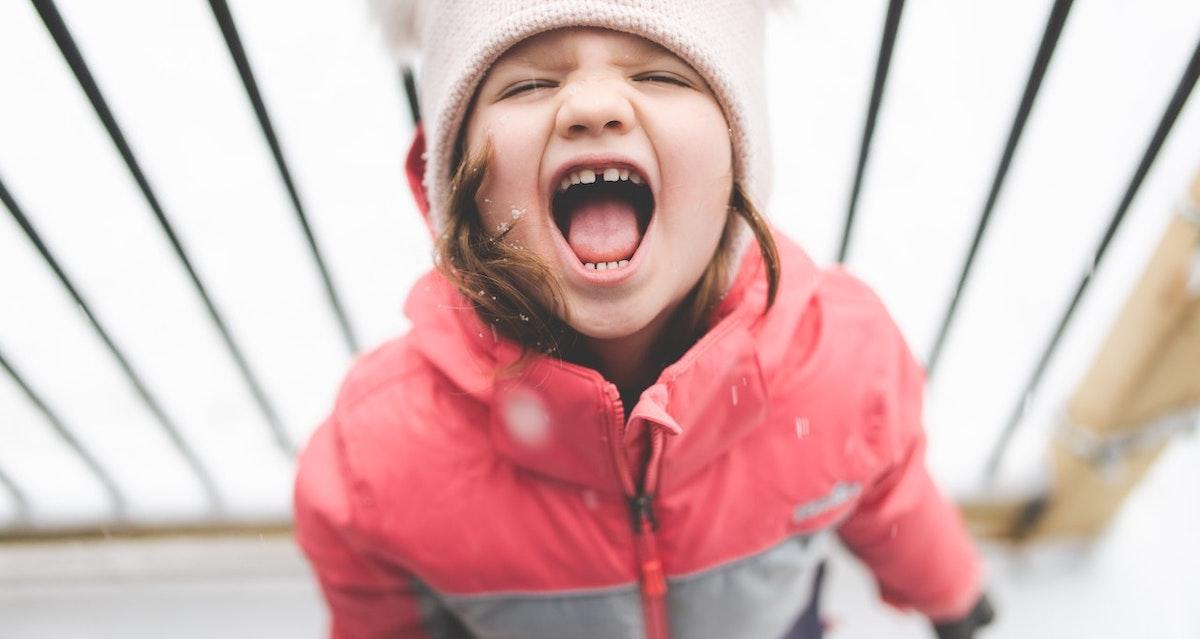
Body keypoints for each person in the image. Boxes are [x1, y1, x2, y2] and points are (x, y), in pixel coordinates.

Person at [293, 1, 995, 637]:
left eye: (662, 75)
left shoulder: (839, 359)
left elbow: (892, 498)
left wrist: (951, 592)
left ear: (738, 158)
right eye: (529, 85)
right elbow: (380, 618)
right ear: (451, 183)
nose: (594, 106)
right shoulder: (382, 454)